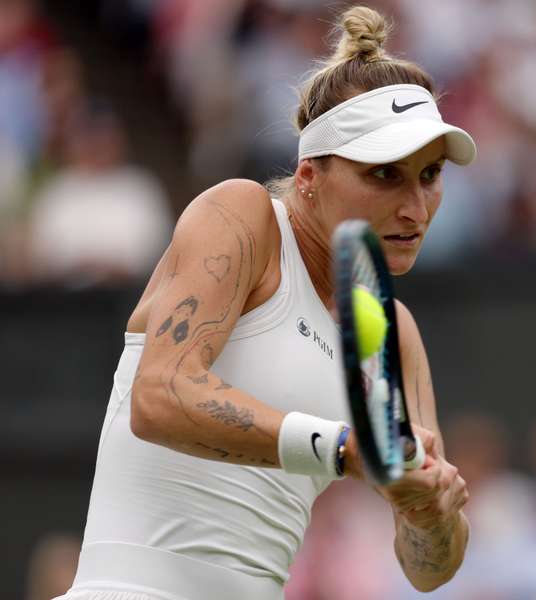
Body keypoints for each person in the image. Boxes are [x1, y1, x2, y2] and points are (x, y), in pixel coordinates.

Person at [56, 5, 475, 600]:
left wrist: (428, 511)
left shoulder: (395, 333)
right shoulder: (242, 216)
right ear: (309, 175)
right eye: (385, 175)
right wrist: (344, 449)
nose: (416, 207)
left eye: (429, 175)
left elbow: (428, 570)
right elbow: (160, 396)